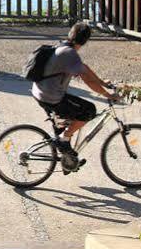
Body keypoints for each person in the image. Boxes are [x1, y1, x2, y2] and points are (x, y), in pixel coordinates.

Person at [31, 22, 118, 172]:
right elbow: (87, 79)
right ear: (86, 40)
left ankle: (67, 159)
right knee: (89, 110)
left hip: (40, 91)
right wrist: (108, 95)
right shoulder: (70, 54)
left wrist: (102, 82)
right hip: (51, 96)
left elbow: (84, 68)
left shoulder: (63, 46)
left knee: (69, 118)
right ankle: (64, 140)